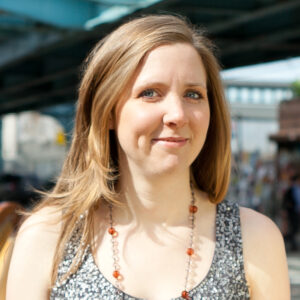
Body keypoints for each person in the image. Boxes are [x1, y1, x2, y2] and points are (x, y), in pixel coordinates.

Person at [6, 15, 290, 300]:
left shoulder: (256, 238)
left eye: (193, 94)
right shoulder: (48, 238)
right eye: (150, 93)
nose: (177, 114)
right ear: (106, 112)